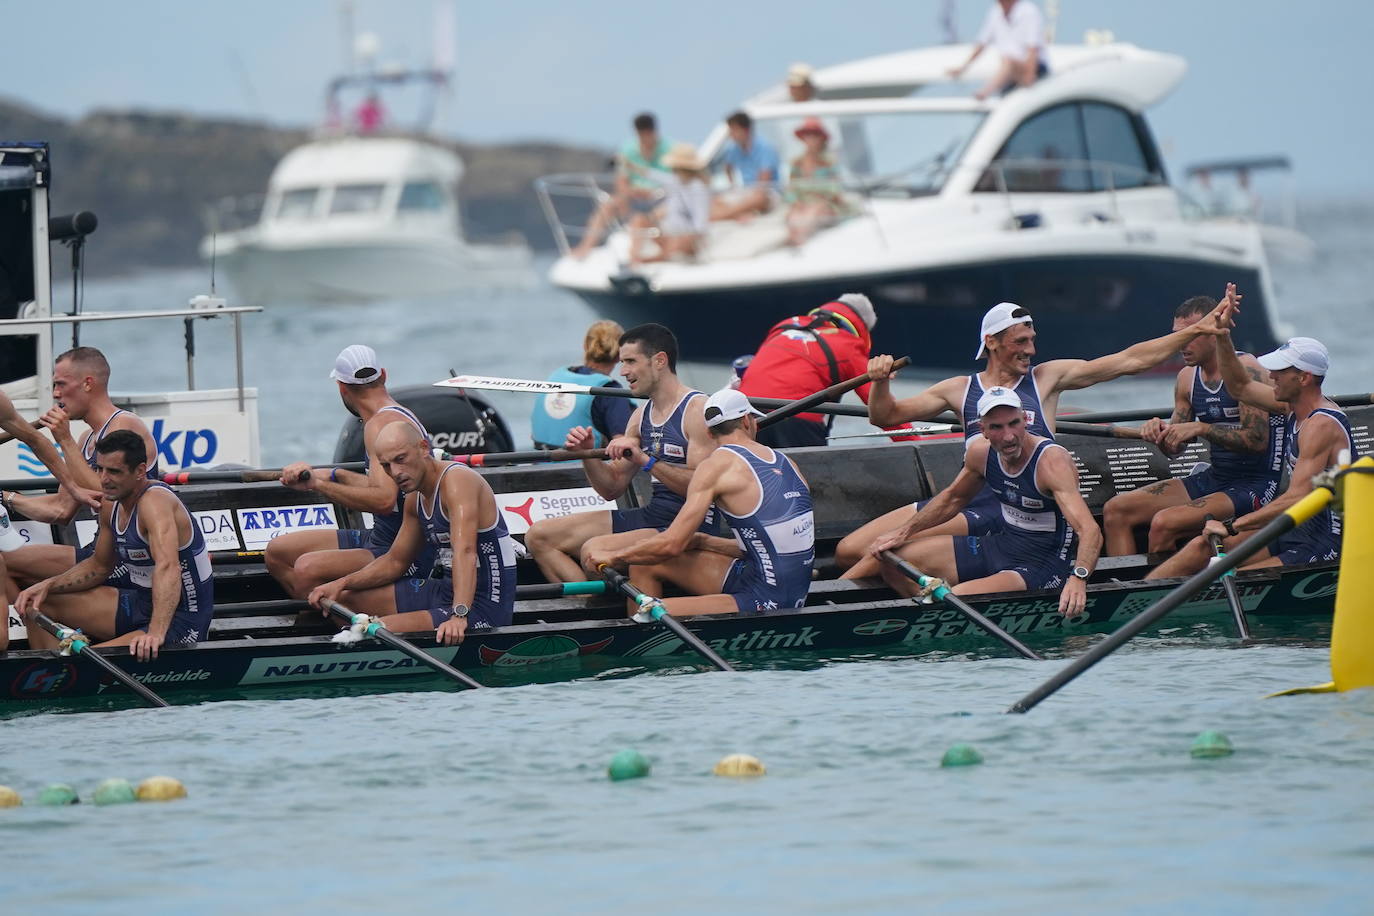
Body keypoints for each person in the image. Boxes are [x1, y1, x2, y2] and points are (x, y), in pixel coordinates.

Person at [836, 295, 1235, 576]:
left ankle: (845, 610)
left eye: (1032, 340)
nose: (1031, 349)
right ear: (991, 342)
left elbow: (1131, 360)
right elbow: (884, 416)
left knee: (884, 554)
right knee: (846, 550)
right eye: (1020, 342)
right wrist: (881, 382)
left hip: (1006, 512)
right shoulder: (959, 389)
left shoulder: (1047, 379)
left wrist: (1197, 330)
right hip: (963, 499)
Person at [1149, 315, 1358, 578]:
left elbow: (1296, 499)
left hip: (1328, 539)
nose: (1270, 376)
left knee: (1235, 577)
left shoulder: (1321, 425)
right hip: (1297, 528)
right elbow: (1240, 386)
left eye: (1279, 372)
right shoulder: (1291, 406)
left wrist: (1233, 526)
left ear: (1303, 378)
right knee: (1202, 547)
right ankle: (1137, 600)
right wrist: (1223, 336)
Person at [868, 387, 1101, 618]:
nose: (1009, 436)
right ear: (983, 431)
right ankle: (928, 618)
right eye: (997, 427)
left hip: (1044, 562)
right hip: (1002, 545)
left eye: (1014, 423)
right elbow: (953, 499)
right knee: (894, 564)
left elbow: (1090, 530)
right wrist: (902, 531)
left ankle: (939, 615)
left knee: (953, 600)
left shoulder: (1051, 463)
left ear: (1025, 421)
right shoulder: (980, 453)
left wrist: (1078, 578)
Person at [583, 389, 814, 616]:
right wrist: (704, 540)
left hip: (765, 598)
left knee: (649, 612)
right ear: (747, 421)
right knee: (645, 563)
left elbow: (671, 545)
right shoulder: (787, 462)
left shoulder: (714, 467)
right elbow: (776, 543)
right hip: (792, 586)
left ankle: (644, 637)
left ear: (710, 433)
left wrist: (614, 557)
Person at [525, 323, 718, 583]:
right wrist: (587, 454)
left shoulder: (697, 410)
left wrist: (646, 461)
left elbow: (701, 490)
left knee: (594, 550)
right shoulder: (639, 416)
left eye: (630, 361)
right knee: (539, 536)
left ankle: (603, 612)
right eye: (621, 362)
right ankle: (590, 611)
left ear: (659, 361)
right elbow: (611, 488)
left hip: (688, 527)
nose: (623, 371)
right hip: (653, 518)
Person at [1102, 295, 1285, 555]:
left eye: (1190, 334)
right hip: (1216, 478)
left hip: (1255, 484)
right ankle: (1123, 590)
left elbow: (1257, 441)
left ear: (1212, 333)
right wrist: (1159, 431)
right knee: (1116, 510)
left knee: (1164, 523)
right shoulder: (1186, 378)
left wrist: (1202, 428)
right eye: (1178, 335)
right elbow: (1174, 450)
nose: (1181, 345)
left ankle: (1166, 589)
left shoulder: (1247, 369)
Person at [307, 421, 515, 643]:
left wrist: (459, 615)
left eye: (400, 459)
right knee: (345, 601)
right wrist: (340, 584)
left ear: (424, 448)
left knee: (369, 632)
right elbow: (395, 561)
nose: (395, 473)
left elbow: (465, 551)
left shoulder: (457, 481)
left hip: (481, 603)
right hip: (446, 591)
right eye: (386, 466)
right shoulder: (414, 498)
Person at [15, 430, 214, 661]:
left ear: (140, 471)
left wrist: (156, 633)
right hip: (141, 604)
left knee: (81, 664)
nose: (104, 479)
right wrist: (48, 585)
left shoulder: (155, 503)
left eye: (114, 471)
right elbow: (99, 567)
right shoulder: (111, 504)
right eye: (100, 469)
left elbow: (168, 568)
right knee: (37, 603)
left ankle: (64, 673)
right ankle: (52, 673)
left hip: (180, 620)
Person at [264, 345, 435, 599]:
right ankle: (330, 610)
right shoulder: (398, 415)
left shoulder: (379, 426)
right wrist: (334, 475)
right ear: (384, 375)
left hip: (402, 551)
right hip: (381, 536)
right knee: (277, 552)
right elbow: (388, 487)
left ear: (342, 388)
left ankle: (332, 620)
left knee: (305, 568)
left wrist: (317, 486)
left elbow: (384, 501)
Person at [2, 347, 158, 592]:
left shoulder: (124, 426)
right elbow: (61, 510)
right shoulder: (86, 439)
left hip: (127, 560)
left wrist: (64, 440)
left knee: (9, 568)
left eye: (60, 384)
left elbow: (111, 498)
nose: (55, 394)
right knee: (8, 566)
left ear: (87, 384)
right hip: (97, 553)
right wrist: (6, 497)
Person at [737, 294, 879, 449]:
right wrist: (909, 441)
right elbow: (881, 408)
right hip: (797, 421)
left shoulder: (785, 325)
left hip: (747, 415)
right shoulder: (849, 345)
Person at [572, 112, 674, 259]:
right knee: (607, 207)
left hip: (661, 199)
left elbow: (676, 183)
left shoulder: (670, 149)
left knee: (641, 219)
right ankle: (585, 247)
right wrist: (630, 193)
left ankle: (635, 257)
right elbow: (621, 181)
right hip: (635, 198)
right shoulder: (628, 148)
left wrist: (651, 192)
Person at [531, 320, 635, 450]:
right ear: (619, 354)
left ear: (585, 346)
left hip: (541, 465)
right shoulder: (610, 391)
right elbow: (623, 446)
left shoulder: (555, 377)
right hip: (582, 468)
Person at [947, 0, 1048, 99]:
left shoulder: (1028, 12)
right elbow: (982, 44)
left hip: (1034, 69)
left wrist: (1029, 76)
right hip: (1009, 73)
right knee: (1007, 63)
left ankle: (984, 93)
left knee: (1008, 62)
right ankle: (987, 93)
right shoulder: (995, 12)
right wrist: (963, 67)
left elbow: (1033, 47)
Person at [629, 144, 712, 265]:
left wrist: (691, 238)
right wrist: (629, 166)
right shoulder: (675, 181)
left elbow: (700, 225)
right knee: (639, 219)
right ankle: (633, 257)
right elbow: (652, 174)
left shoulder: (699, 188)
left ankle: (650, 260)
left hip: (688, 239)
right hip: (671, 234)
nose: (672, 170)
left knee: (682, 240)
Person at [784, 118, 850, 247]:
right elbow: (791, 189)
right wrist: (796, 202)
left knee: (814, 211)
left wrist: (819, 198)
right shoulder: (796, 162)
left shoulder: (830, 162)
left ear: (821, 138)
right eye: (807, 135)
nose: (811, 139)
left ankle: (799, 238)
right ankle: (794, 237)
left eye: (814, 135)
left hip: (825, 205)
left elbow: (835, 189)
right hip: (802, 205)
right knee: (794, 214)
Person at [710, 111, 781, 222]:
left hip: (768, 192)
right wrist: (733, 186)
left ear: (745, 130)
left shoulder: (765, 148)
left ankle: (723, 216)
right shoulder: (733, 149)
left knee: (758, 198)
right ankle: (739, 213)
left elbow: (763, 183)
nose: (731, 134)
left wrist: (742, 196)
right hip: (746, 191)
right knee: (715, 199)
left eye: (734, 130)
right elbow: (728, 167)